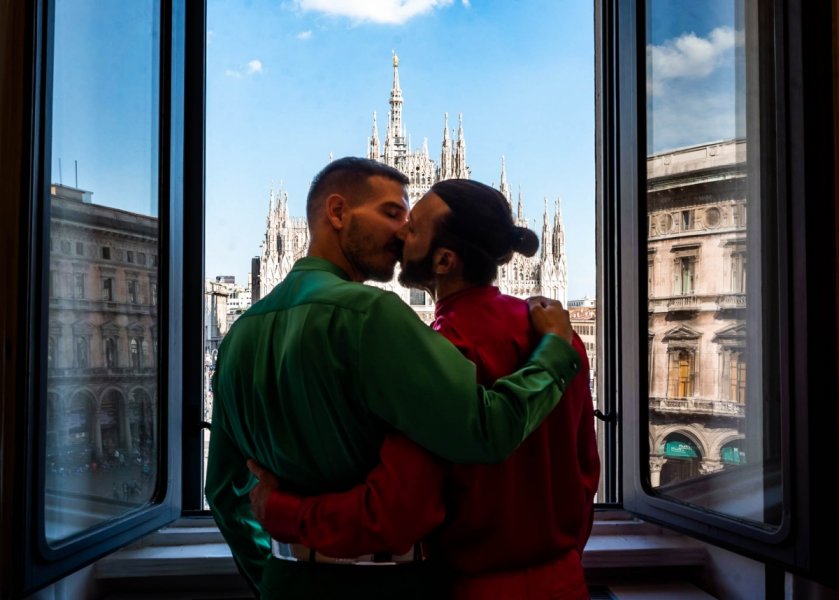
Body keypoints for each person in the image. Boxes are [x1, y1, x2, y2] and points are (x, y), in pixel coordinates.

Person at [204, 158, 581, 598]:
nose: (403, 231)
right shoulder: (372, 315)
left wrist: (271, 571)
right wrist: (555, 351)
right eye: (391, 213)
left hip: (284, 581)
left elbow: (225, 493)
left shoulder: (238, 337)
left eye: (409, 218)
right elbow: (475, 440)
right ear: (338, 212)